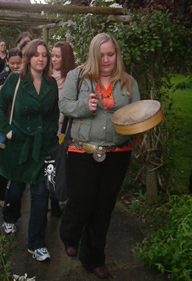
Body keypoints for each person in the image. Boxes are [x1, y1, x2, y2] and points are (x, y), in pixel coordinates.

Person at [59, 33, 140, 279]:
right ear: (94, 54)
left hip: (117, 154)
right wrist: (85, 107)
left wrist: (140, 125)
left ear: (117, 55)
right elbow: (64, 105)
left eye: (111, 54)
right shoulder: (78, 77)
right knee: (81, 202)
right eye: (101, 55)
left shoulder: (128, 82)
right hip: (83, 150)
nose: (106, 60)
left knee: (103, 207)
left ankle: (94, 257)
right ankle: (70, 234)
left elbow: (136, 114)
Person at [0, 39, 59, 262]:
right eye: (36, 54)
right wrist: (8, 131)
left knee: (41, 194)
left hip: (41, 147)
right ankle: (10, 217)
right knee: (16, 188)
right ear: (28, 58)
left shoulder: (51, 84)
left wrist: (49, 133)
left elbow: (53, 113)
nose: (41, 58)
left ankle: (36, 243)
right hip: (18, 144)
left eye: (44, 55)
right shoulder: (15, 80)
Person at [0, 48, 23, 206]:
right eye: (12, 63)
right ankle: (2, 195)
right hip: (5, 127)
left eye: (18, 63)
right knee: (3, 163)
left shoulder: (27, 78)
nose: (15, 66)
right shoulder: (1, 78)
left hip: (20, 127)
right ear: (7, 62)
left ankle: (15, 193)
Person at [50, 41, 76, 217]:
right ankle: (53, 201)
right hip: (51, 130)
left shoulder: (73, 79)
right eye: (52, 56)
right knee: (52, 166)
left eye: (57, 56)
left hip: (67, 131)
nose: (53, 59)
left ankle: (63, 198)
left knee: (65, 166)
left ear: (65, 57)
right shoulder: (48, 76)